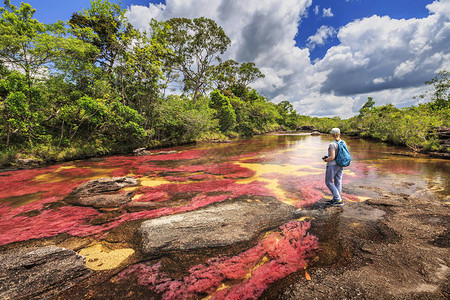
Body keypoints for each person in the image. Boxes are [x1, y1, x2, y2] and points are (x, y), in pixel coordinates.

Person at [322, 128, 344, 206]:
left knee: (328, 182)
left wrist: (325, 160)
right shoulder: (343, 142)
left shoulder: (332, 144)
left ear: (332, 134)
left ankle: (338, 200)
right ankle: (336, 198)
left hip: (332, 165)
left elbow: (332, 157)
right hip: (341, 164)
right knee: (338, 181)